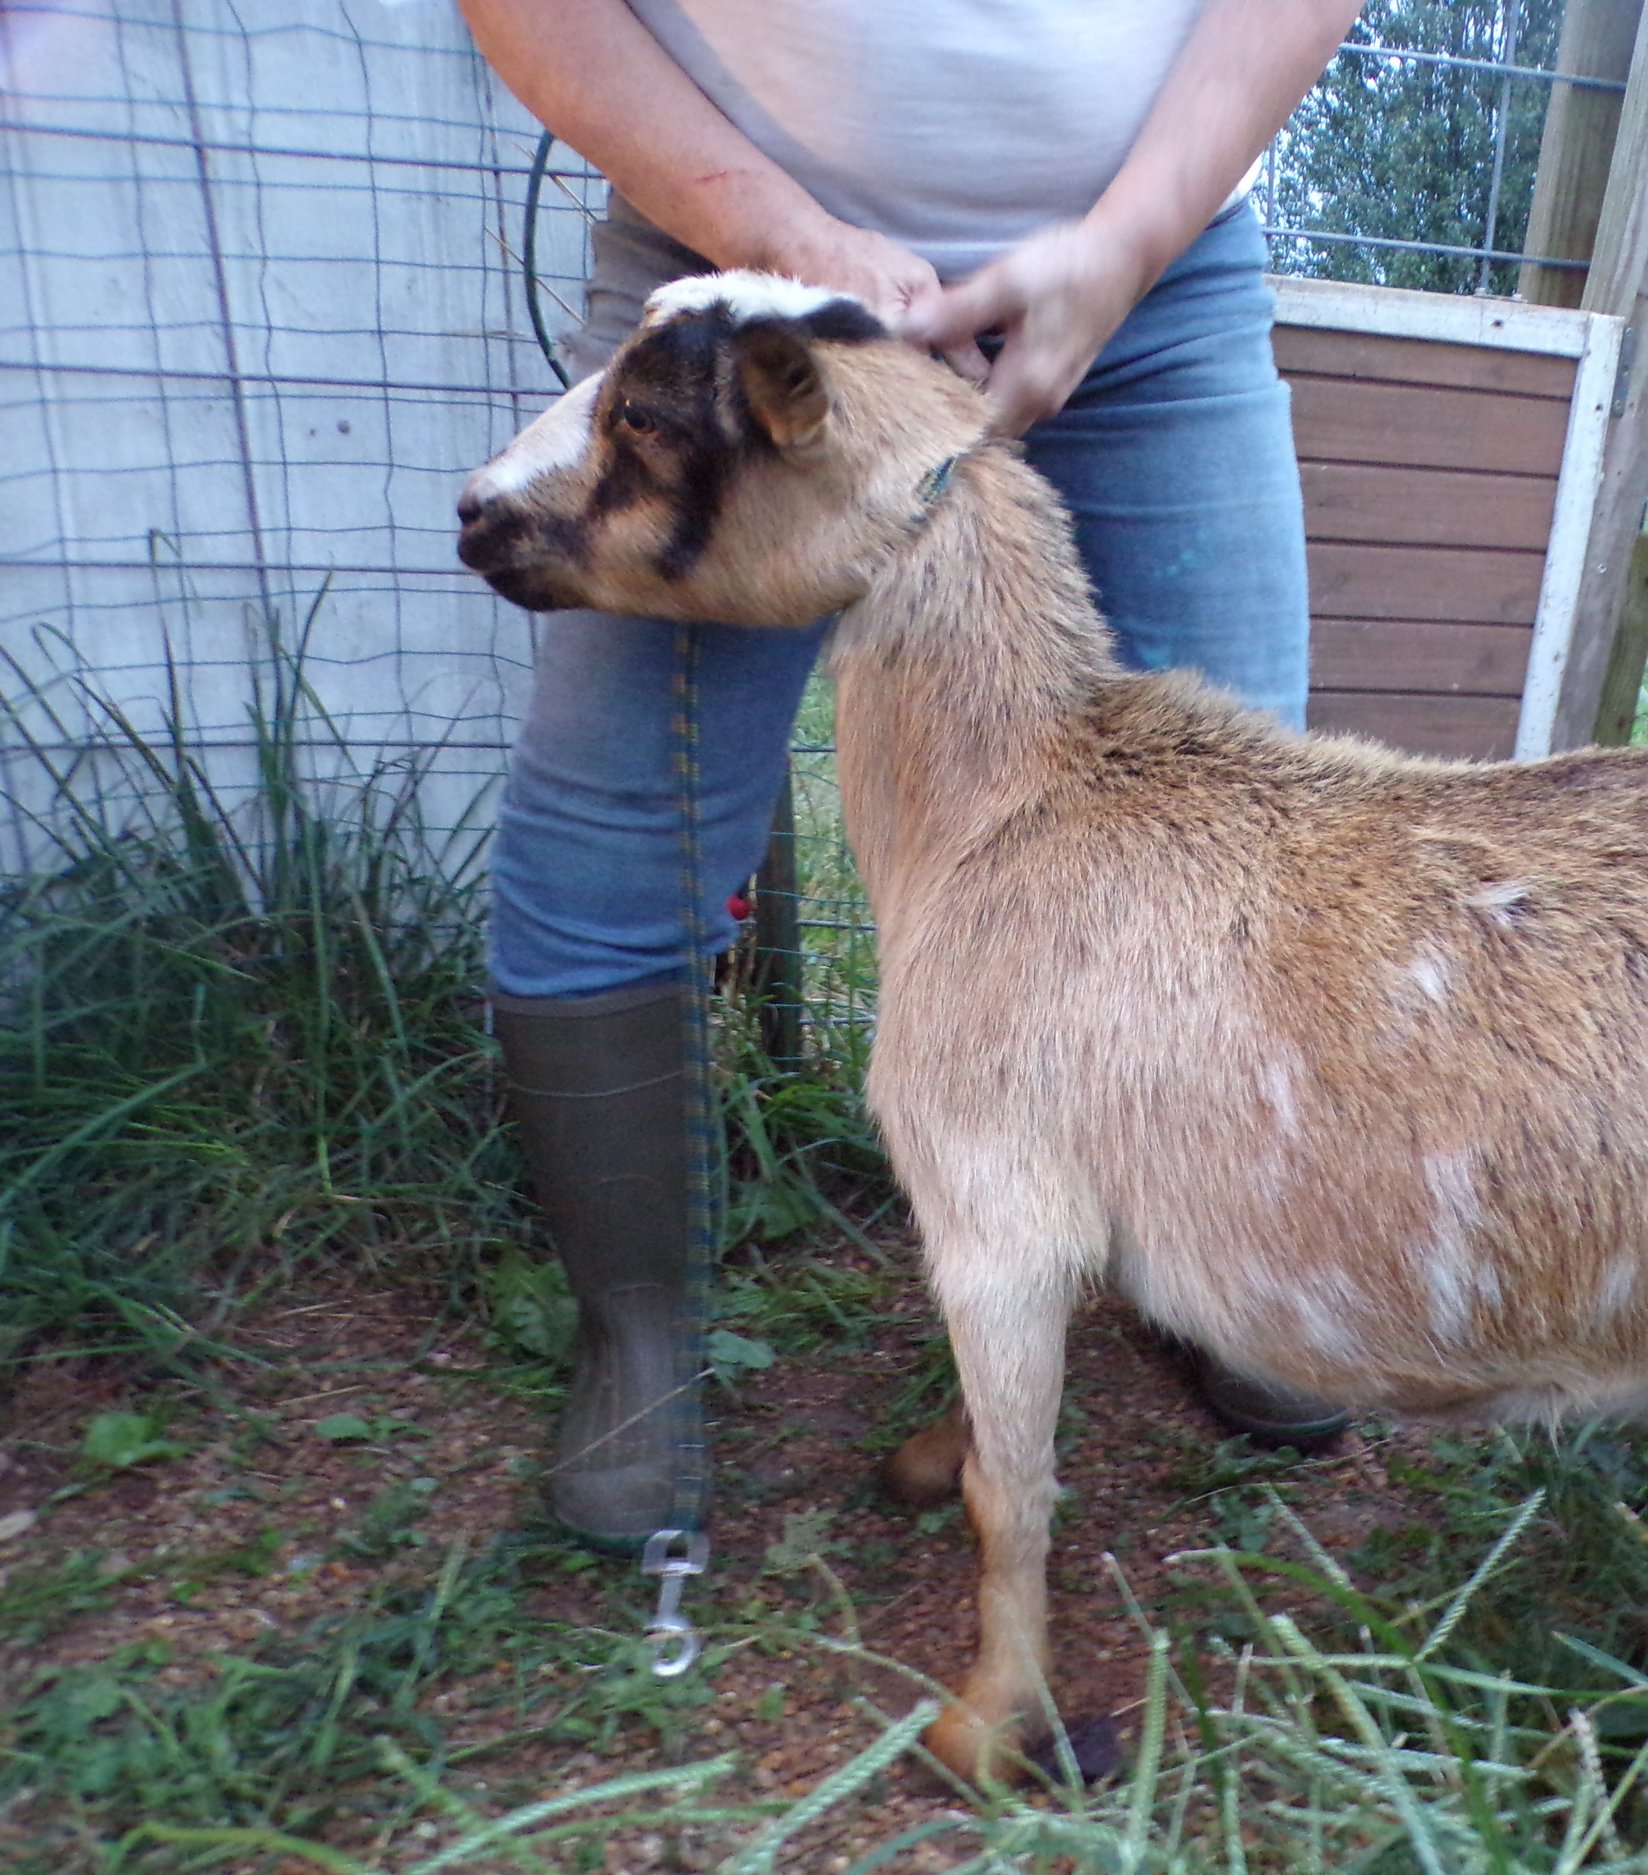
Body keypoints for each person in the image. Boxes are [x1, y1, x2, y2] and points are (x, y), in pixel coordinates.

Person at [457, 0, 1366, 1549]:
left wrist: (1134, 236)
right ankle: (640, 1337)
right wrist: (783, 237)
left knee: (1234, 836)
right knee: (614, 835)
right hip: (731, 308)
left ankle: (1215, 1269)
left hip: (1148, 284)